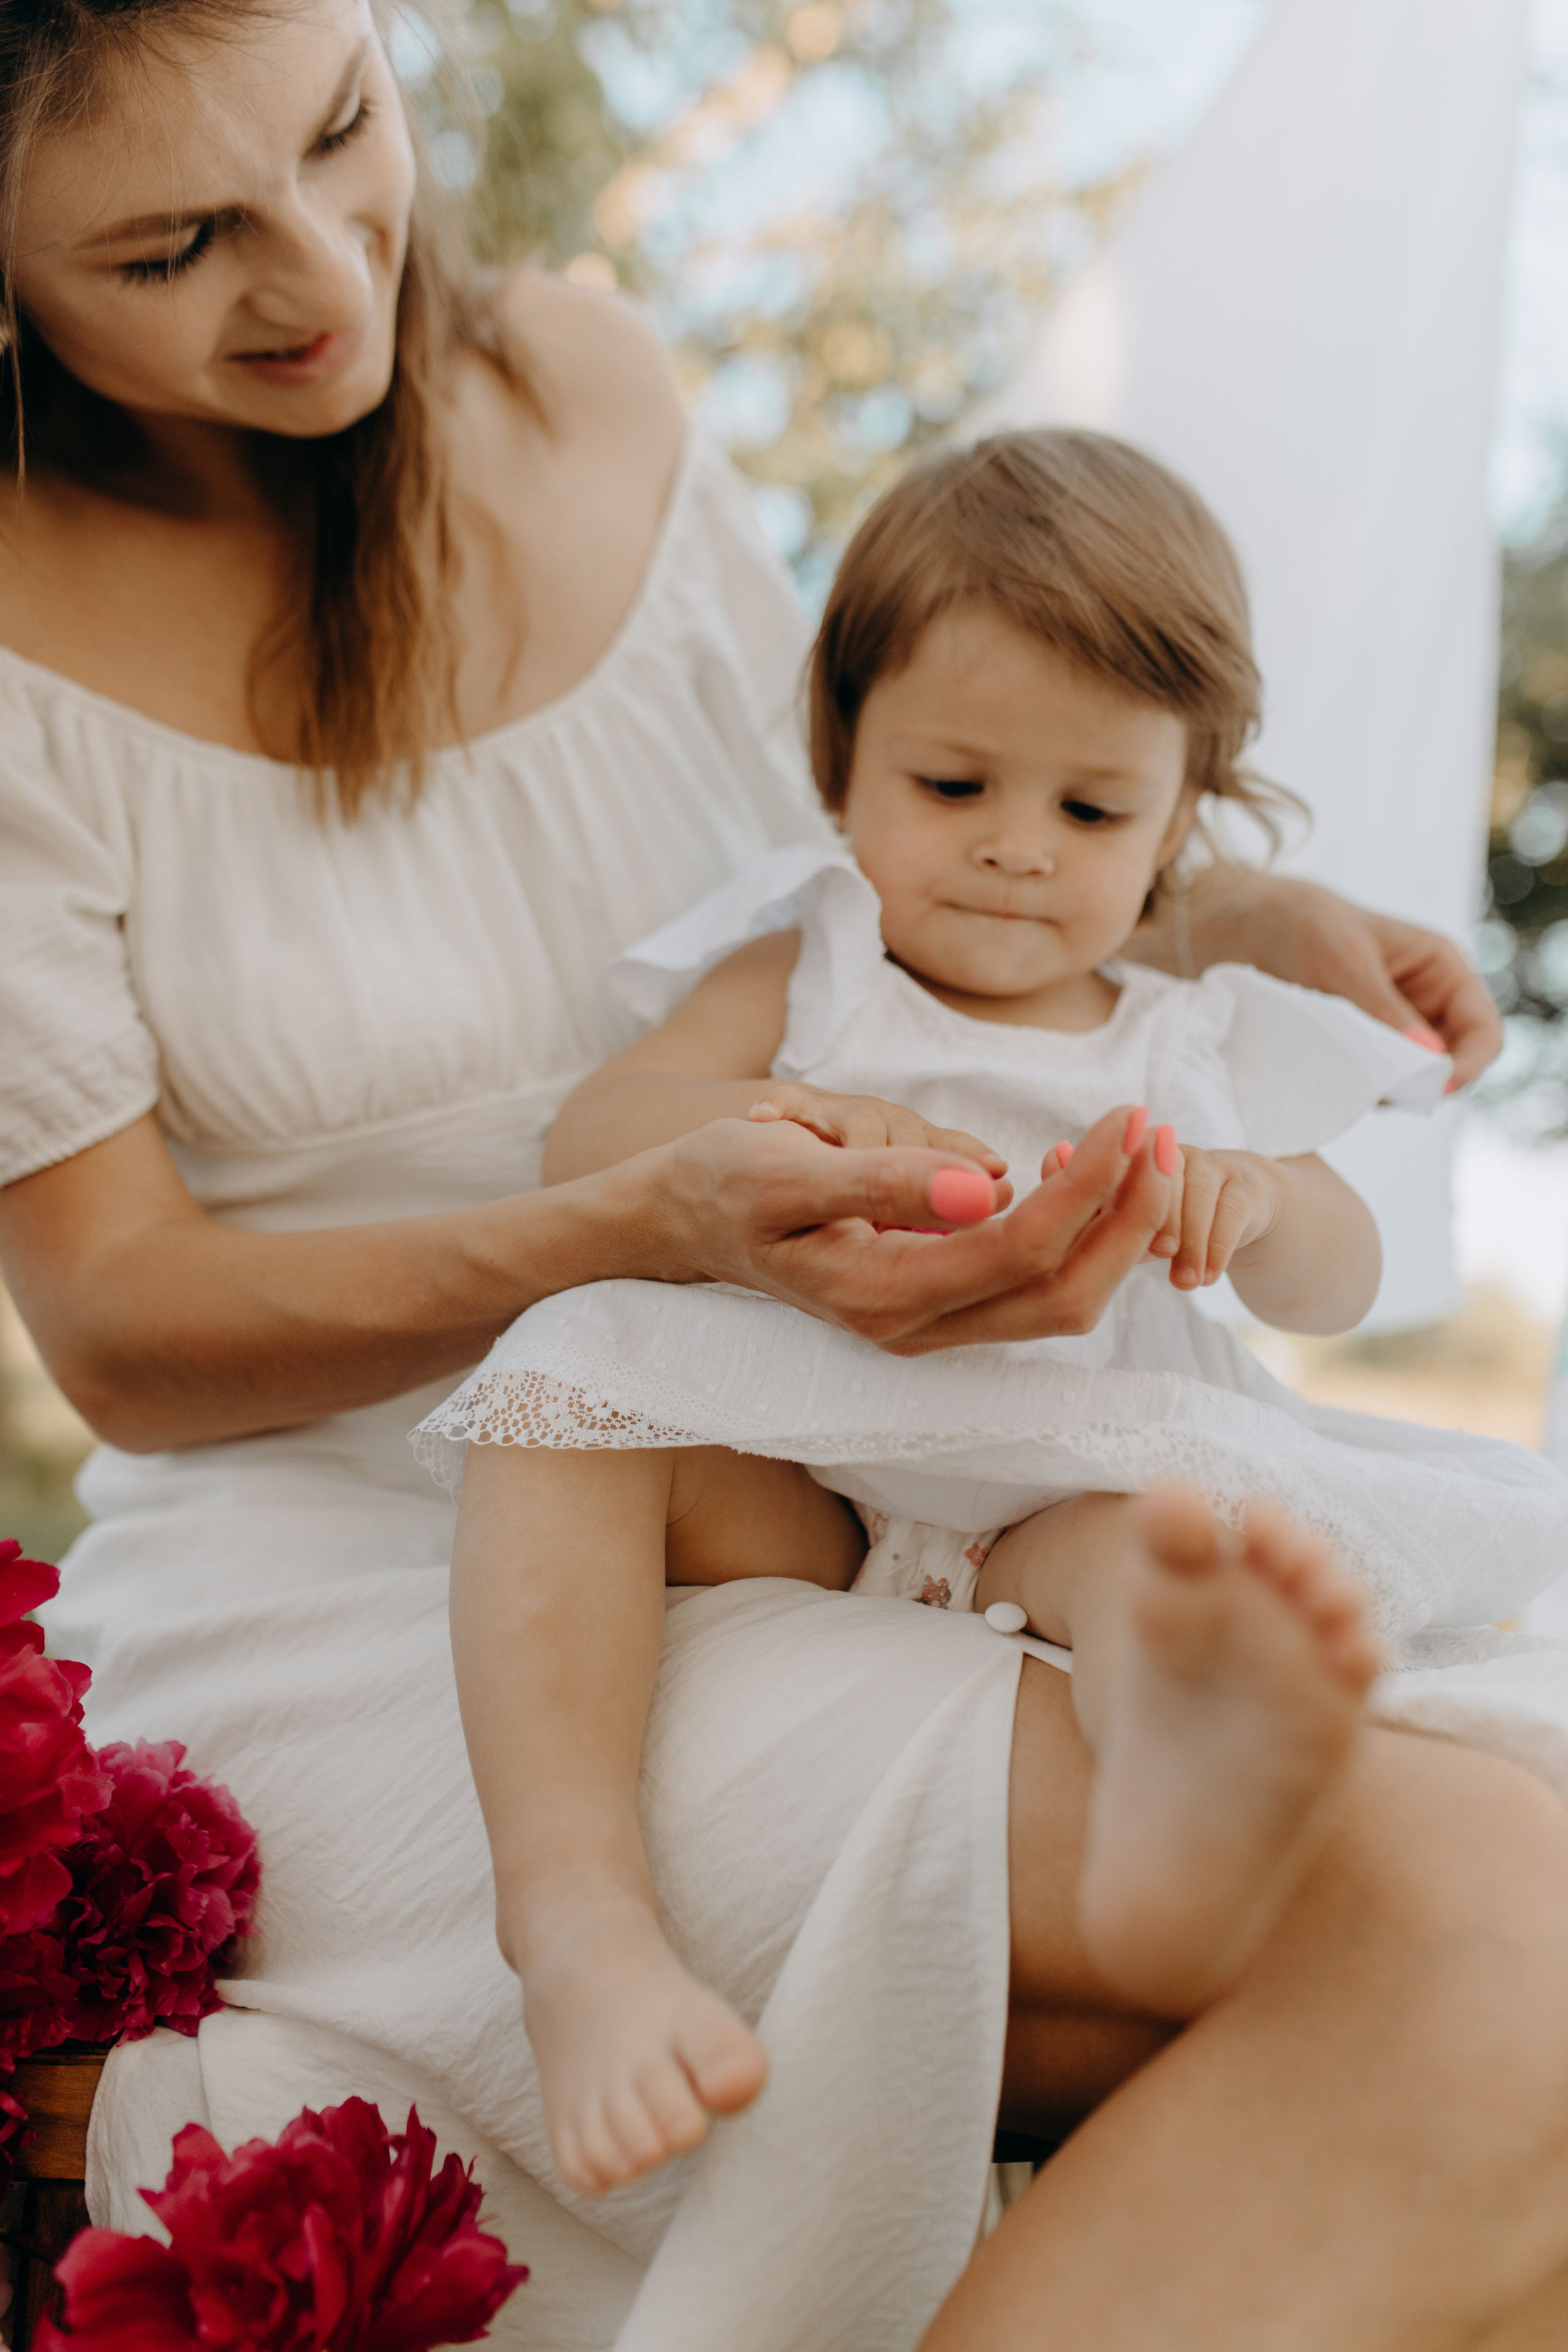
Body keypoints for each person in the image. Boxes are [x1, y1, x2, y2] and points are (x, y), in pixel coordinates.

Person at [0, 3, 1566, 2346]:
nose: (322, 265)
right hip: (388, 1541)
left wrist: (1218, 923)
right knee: (1497, 1940)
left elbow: (856, 855)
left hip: (842, 1416)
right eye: (171, 244)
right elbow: (121, 1329)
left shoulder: (593, 382)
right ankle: (584, 1923)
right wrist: (641, 1230)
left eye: (343, 127)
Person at [423, 429, 1567, 2207]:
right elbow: (598, 1133)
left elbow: (1342, 1278)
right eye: (953, 788)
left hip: (1065, 1488)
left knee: (1173, 1553)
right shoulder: (807, 958)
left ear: (1183, 823)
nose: (1019, 855)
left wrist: (1256, 1200)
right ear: (843, 760)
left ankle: (1187, 1836)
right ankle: (574, 1923)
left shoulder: (1183, 1024)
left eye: (1093, 812)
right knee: (564, 1390)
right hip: (807, 1473)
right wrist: (789, 1129)